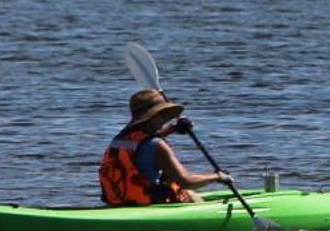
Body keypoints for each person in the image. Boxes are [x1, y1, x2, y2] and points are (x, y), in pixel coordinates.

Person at [99, 88, 231, 205]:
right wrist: (217, 177)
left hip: (120, 202)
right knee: (187, 191)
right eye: (163, 114)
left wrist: (172, 129)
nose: (166, 118)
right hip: (148, 205)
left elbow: (143, 145)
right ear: (153, 117)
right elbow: (186, 181)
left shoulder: (120, 139)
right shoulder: (158, 146)